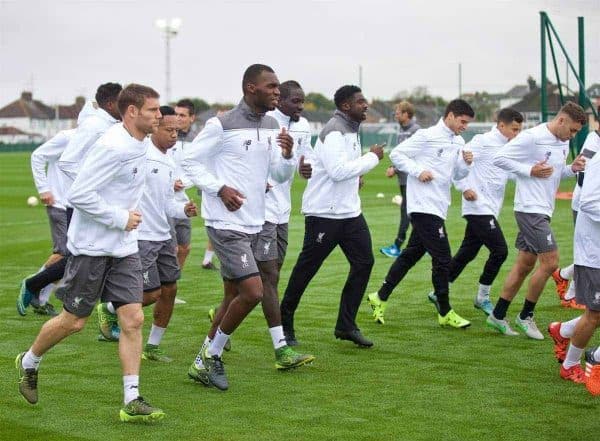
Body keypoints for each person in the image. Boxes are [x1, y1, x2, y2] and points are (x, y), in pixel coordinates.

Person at [15, 84, 165, 422]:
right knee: (74, 322)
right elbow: (80, 193)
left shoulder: (140, 143)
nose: (159, 115)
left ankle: (132, 399)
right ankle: (29, 361)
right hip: (92, 248)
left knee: (134, 318)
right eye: (153, 110)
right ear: (131, 112)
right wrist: (119, 217)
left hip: (124, 248)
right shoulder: (112, 147)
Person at [182, 64, 296, 390]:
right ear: (250, 88)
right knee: (253, 291)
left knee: (233, 294)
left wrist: (287, 158)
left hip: (257, 222)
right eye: (271, 86)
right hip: (225, 223)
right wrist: (219, 188)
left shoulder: (273, 125)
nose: (278, 91)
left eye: (278, 87)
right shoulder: (221, 125)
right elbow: (189, 160)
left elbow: (278, 175)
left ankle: (206, 355)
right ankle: (209, 358)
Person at [280, 85, 384, 348]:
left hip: (350, 213)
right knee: (307, 269)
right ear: (346, 106)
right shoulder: (334, 131)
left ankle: (346, 325)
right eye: (361, 101)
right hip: (324, 214)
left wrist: (356, 177)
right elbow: (338, 171)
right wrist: (372, 158)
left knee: (364, 263)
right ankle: (284, 322)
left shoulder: (351, 128)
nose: (366, 104)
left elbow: (339, 169)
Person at [16, 83, 123, 316]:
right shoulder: (74, 135)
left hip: (87, 203)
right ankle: (38, 289)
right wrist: (45, 188)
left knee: (82, 255)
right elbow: (42, 157)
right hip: (65, 202)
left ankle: (46, 293)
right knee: (71, 255)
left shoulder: (110, 134)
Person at [367, 99, 474, 329]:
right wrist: (418, 171)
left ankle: (380, 296)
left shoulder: (459, 141)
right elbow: (397, 154)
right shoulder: (427, 135)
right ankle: (444, 311)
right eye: (463, 121)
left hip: (438, 206)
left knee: (411, 255)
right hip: (422, 206)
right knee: (443, 258)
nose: (464, 126)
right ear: (451, 116)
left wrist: (466, 164)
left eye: (467, 123)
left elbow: (457, 174)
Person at [486, 101, 586, 339]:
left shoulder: (562, 142)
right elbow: (499, 158)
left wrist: (572, 168)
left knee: (524, 265)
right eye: (572, 130)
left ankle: (497, 315)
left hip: (542, 209)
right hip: (530, 209)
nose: (572, 136)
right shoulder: (532, 137)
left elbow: (554, 173)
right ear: (561, 120)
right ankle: (525, 316)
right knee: (551, 262)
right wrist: (529, 170)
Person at [448, 108, 524, 316]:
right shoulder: (483, 141)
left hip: (491, 208)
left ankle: (439, 290)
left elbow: (511, 174)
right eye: (514, 129)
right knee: (500, 251)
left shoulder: (509, 146)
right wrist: (464, 188)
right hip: (477, 206)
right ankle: (482, 297)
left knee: (467, 252)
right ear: (501, 125)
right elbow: (459, 163)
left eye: (519, 130)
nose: (516, 134)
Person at [547, 144, 600, 395]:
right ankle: (571, 365)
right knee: (595, 315)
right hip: (594, 253)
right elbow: (588, 202)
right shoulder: (598, 160)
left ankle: (563, 330)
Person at [24, 129, 76, 316]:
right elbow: (37, 155)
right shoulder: (67, 137)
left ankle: (39, 295)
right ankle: (32, 287)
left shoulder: (96, 138)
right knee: (64, 253)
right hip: (60, 204)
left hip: (77, 207)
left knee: (70, 254)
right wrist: (44, 188)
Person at [551, 112, 600, 309]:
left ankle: (563, 276)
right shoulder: (592, 142)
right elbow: (582, 176)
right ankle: (571, 292)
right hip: (586, 207)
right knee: (589, 255)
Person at [380, 101, 421, 258]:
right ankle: (425, 245)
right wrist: (393, 167)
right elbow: (399, 154)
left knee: (406, 211)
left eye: (398, 112)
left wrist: (395, 169)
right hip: (403, 179)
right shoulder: (400, 132)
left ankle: (397, 246)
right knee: (413, 214)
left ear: (406, 114)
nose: (395, 115)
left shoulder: (416, 131)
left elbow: (414, 156)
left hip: (412, 179)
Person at [169, 99, 200, 272]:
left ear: (192, 118)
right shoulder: (165, 137)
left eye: (182, 115)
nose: (178, 118)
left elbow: (198, 169)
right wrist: (169, 183)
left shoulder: (197, 142)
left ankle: (172, 284)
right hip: (164, 200)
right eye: (176, 114)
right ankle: (165, 286)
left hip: (182, 199)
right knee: (170, 248)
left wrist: (184, 183)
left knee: (184, 248)